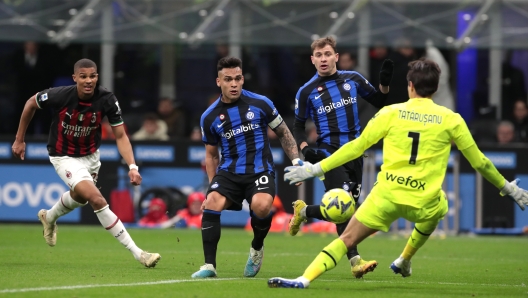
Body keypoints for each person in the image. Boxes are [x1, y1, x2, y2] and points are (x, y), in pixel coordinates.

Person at [268, 59, 528, 289]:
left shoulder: (390, 113)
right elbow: (480, 162)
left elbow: (356, 147)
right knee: (441, 205)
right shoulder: (452, 120)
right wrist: (508, 188)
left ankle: (303, 279)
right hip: (423, 202)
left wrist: (315, 168)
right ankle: (404, 258)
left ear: (410, 85)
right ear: (435, 89)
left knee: (346, 239)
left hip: (386, 198)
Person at [11, 58, 161, 268]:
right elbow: (30, 104)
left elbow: (120, 136)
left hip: (91, 157)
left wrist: (132, 166)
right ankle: (139, 254)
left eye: (92, 76)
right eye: (83, 77)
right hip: (63, 156)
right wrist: (19, 139)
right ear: (75, 78)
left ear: (97, 77)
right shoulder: (60, 95)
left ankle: (49, 217)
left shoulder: (107, 99)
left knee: (80, 198)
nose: (88, 80)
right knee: (96, 199)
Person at [289, 36, 395, 278]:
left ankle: (304, 212)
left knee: (349, 208)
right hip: (328, 154)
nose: (323, 59)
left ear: (336, 57)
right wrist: (306, 150)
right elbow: (297, 126)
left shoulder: (353, 79)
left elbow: (379, 100)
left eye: (328, 54)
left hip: (356, 152)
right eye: (319, 55)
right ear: (312, 60)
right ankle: (355, 261)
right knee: (343, 205)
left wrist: (385, 84)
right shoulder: (306, 91)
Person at [192, 56, 300, 279]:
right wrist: (212, 187)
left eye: (238, 78)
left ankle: (257, 248)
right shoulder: (209, 116)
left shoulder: (261, 103)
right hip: (229, 172)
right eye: (228, 79)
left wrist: (296, 162)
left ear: (243, 79)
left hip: (259, 171)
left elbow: (283, 133)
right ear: (218, 82)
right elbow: (211, 155)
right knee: (211, 201)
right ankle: (209, 266)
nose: (234, 84)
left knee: (262, 207)